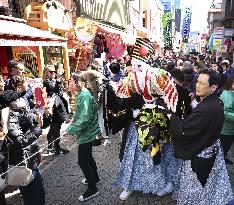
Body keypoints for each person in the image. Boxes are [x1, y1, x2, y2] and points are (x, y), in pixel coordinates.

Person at [169, 69, 233, 205]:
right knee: (211, 184)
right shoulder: (216, 102)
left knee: (197, 188)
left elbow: (184, 130)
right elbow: (202, 116)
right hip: (212, 149)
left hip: (201, 155)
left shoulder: (206, 108)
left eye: (202, 84)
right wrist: (193, 103)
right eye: (197, 81)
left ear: (213, 87)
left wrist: (171, 117)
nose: (197, 85)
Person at [6, 75, 45, 205]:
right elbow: (20, 141)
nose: (20, 100)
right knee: (33, 195)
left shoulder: (19, 111)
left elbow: (30, 125)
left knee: (37, 192)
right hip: (24, 161)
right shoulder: (8, 118)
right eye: (16, 99)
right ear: (9, 104)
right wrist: (38, 129)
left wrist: (38, 119)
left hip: (31, 156)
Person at [67, 72, 101, 202]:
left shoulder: (85, 95)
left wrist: (71, 129)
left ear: (78, 82)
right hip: (87, 132)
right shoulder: (82, 94)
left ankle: (93, 189)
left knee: (82, 161)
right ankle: (95, 178)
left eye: (70, 82)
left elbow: (85, 118)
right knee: (88, 157)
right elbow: (80, 113)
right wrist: (73, 119)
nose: (68, 84)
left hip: (88, 133)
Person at [43, 64, 69, 155]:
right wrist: (58, 79)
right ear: (46, 73)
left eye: (54, 71)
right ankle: (57, 149)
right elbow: (54, 90)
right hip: (54, 109)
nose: (53, 73)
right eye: (51, 71)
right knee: (56, 128)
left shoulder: (54, 80)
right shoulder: (46, 82)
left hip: (58, 107)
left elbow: (60, 91)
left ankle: (50, 147)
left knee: (53, 129)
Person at [220, 76, 234, 165]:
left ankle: (223, 158)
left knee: (226, 147)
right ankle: (220, 163)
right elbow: (225, 112)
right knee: (223, 147)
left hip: (230, 129)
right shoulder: (228, 96)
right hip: (226, 130)